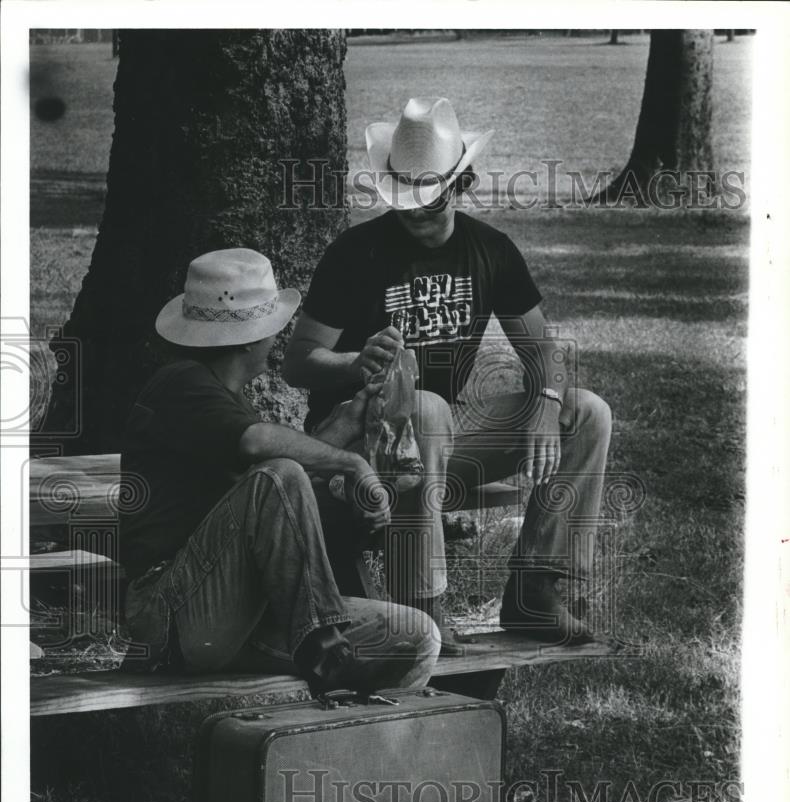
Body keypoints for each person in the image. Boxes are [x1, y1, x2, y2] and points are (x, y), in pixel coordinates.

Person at [283, 97, 613, 649]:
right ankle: (423, 612)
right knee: (429, 409)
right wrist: (351, 362)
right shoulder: (355, 254)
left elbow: (543, 349)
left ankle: (536, 593)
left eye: (430, 200)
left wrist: (547, 402)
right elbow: (298, 362)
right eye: (405, 200)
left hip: (441, 440)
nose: (415, 212)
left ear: (462, 185)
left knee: (587, 412)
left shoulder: (491, 251)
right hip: (360, 450)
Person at [119, 248, 440, 692]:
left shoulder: (223, 400)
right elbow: (267, 458)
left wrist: (349, 422)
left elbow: (281, 498)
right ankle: (327, 650)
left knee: (415, 636)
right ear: (255, 336)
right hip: (172, 611)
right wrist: (352, 462)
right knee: (282, 476)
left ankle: (356, 747)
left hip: (241, 615)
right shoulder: (181, 382)